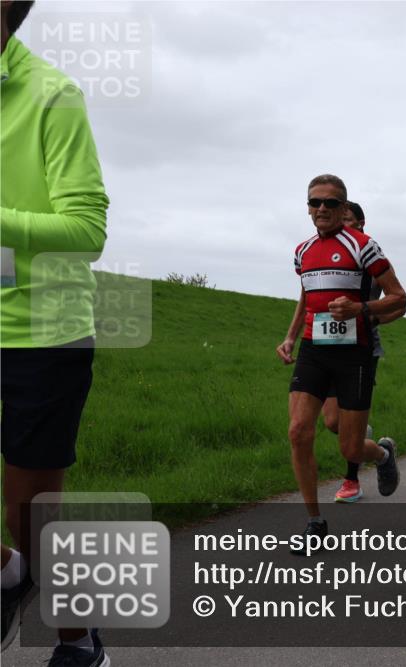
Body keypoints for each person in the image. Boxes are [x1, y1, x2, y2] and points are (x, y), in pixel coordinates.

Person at [1, 2, 112, 664]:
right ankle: (9, 574)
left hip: (45, 334)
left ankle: (80, 639)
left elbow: (87, 232)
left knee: (33, 514)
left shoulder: (53, 94)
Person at [276, 175, 406, 552]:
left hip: (355, 354)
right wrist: (289, 336)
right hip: (313, 350)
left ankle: (381, 454)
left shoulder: (364, 247)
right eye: (314, 202)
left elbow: (400, 298)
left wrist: (360, 309)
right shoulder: (302, 251)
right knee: (299, 431)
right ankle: (315, 522)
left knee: (350, 448)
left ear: (343, 207)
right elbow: (306, 298)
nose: (321, 209)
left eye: (329, 204)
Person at [329, 201, 405, 502]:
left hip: (362, 349)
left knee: (350, 426)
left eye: (348, 221)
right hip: (325, 347)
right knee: (334, 423)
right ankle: (381, 452)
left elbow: (399, 304)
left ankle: (351, 481)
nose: (342, 226)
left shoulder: (371, 258)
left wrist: (368, 316)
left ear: (361, 223)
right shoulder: (326, 257)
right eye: (339, 221)